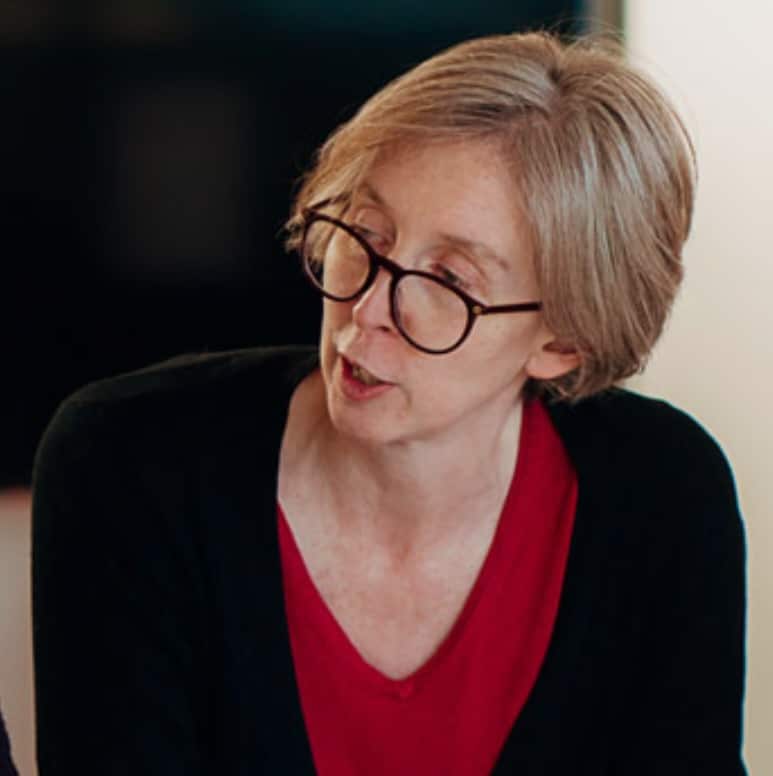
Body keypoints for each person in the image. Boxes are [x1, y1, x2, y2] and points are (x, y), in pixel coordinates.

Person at [32, 31, 746, 775]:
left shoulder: (661, 492)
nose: (366, 310)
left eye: (448, 280)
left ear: (562, 342)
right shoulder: (129, 462)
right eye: (365, 233)